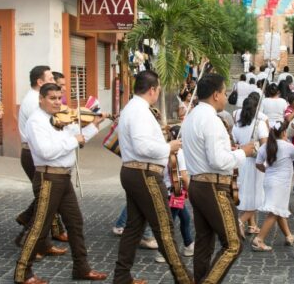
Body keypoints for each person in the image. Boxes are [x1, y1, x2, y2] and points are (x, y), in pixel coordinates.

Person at [14, 83, 108, 284]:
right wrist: (74, 140)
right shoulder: (36, 121)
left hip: (64, 178)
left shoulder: (58, 119)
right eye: (52, 98)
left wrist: (95, 125)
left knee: (75, 223)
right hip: (48, 178)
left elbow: (78, 138)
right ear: (41, 99)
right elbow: (46, 152)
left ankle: (81, 268)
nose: (58, 102)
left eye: (60, 98)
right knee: (40, 226)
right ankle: (23, 272)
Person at [113, 70, 192, 284]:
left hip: (137, 172)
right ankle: (184, 278)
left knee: (134, 227)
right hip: (144, 173)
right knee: (164, 226)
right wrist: (169, 147)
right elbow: (142, 146)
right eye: (158, 89)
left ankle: (122, 277)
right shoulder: (138, 111)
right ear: (152, 89)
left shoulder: (135, 108)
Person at [182, 73, 256, 284]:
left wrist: (233, 151)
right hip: (213, 186)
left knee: (204, 242)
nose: (226, 97)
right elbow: (218, 161)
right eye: (224, 93)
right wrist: (244, 152)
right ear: (216, 95)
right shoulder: (211, 120)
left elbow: (212, 155)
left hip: (199, 184)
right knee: (233, 243)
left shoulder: (193, 116)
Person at [15, 66, 68, 257]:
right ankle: (29, 237)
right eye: (50, 77)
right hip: (34, 154)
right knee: (45, 199)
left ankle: (41, 239)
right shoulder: (33, 102)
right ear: (40, 82)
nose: (54, 80)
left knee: (48, 199)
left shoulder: (40, 99)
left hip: (37, 154)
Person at [251, 121, 294, 251]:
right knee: (275, 211)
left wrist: (268, 171)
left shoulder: (265, 146)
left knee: (278, 209)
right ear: (283, 132)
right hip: (282, 183)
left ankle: (288, 236)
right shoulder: (288, 147)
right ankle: (259, 239)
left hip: (269, 180)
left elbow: (258, 164)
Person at [232, 92, 269, 236]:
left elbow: (234, 144)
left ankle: (252, 225)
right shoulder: (259, 125)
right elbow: (265, 146)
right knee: (258, 197)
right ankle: (240, 221)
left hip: (241, 161)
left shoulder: (236, 126)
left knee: (246, 194)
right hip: (255, 163)